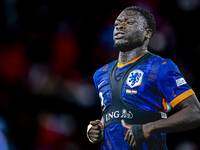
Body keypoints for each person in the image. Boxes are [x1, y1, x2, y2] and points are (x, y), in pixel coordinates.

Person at [86, 6, 200, 150]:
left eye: (129, 22)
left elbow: (195, 111)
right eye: (117, 23)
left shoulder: (160, 66)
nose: (120, 26)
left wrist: (149, 128)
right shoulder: (100, 74)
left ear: (147, 33)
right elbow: (116, 113)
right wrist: (98, 128)